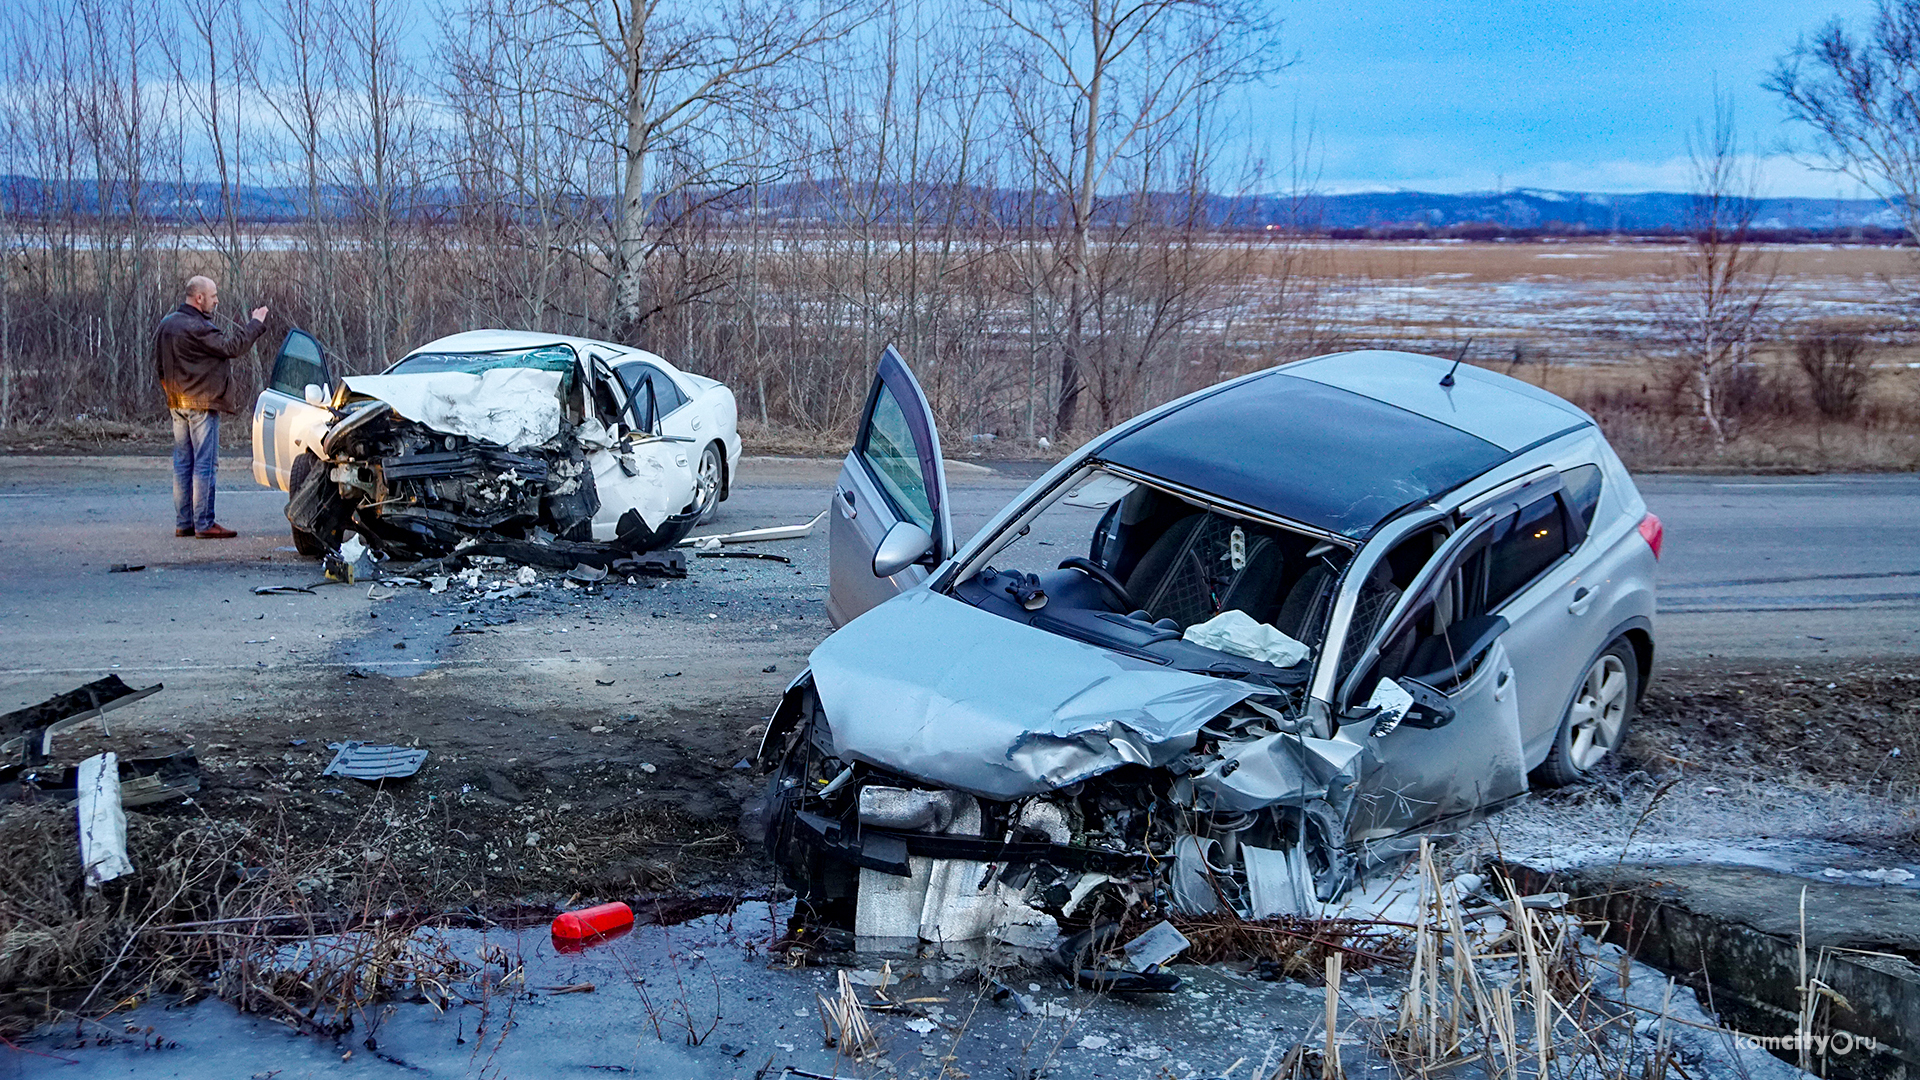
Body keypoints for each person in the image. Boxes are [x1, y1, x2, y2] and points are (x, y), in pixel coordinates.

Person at [154, 276, 268, 538]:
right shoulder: (198, 326)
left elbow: (158, 364)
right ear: (199, 298)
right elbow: (232, 346)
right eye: (214, 295)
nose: (217, 300)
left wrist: (169, 392)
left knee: (183, 463)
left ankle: (185, 523)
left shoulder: (167, 324)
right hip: (201, 405)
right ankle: (204, 524)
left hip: (177, 403)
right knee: (204, 465)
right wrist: (256, 324)